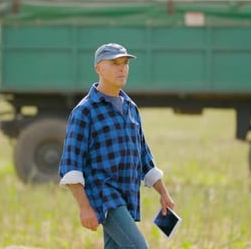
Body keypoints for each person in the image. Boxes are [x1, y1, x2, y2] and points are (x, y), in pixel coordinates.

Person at [59, 43, 175, 248]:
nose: (122, 68)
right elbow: (70, 165)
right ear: (98, 69)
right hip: (105, 197)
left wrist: (163, 193)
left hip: (127, 194)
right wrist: (84, 207)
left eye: (125, 63)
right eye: (114, 63)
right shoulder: (84, 111)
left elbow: (144, 157)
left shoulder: (131, 108)